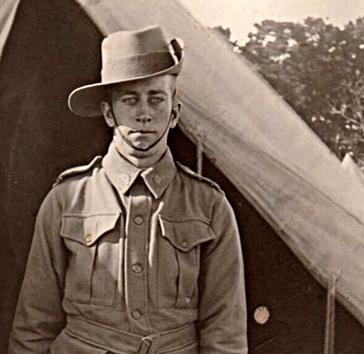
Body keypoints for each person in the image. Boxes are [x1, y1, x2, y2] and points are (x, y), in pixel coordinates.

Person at [9, 25, 247, 354]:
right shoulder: (66, 199)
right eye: (130, 100)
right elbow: (34, 322)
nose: (144, 114)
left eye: (156, 99)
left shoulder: (209, 206)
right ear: (109, 112)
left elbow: (225, 331)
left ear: (174, 113)